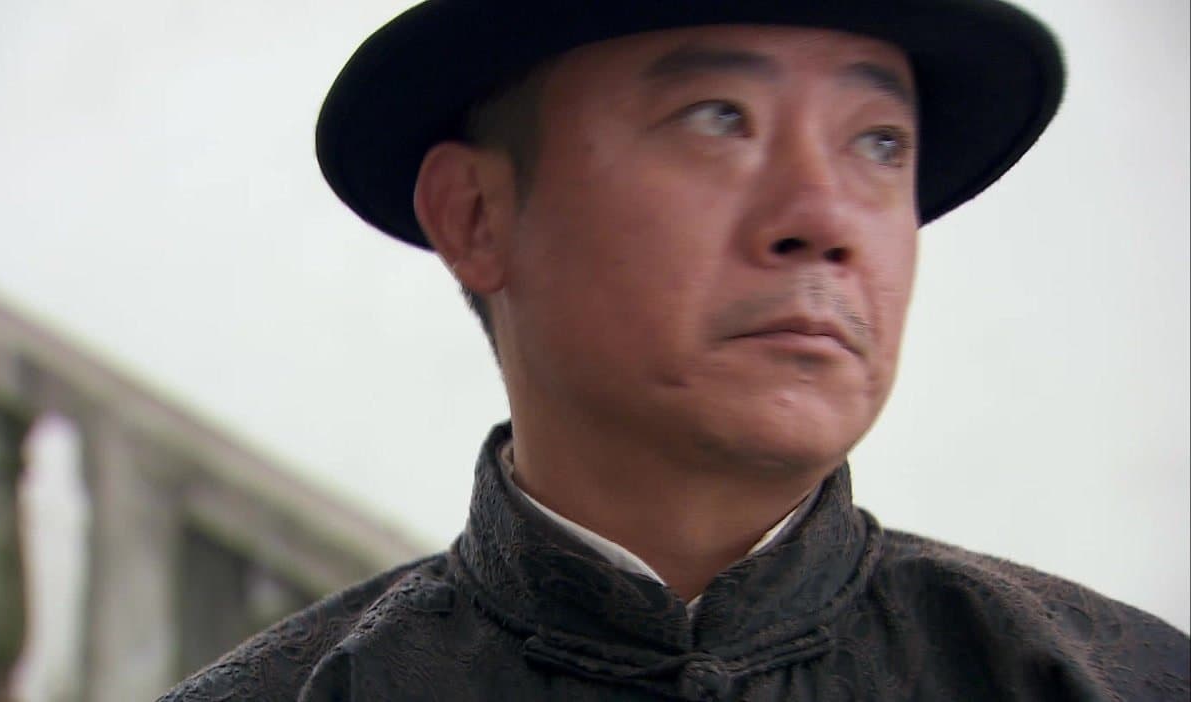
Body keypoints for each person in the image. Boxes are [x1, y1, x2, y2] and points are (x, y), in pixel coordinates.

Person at [162, 1, 1190, 699]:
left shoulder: (1108, 678)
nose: (824, 218)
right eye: (718, 117)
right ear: (476, 214)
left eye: (880, 141)